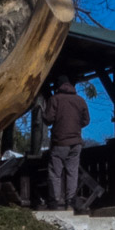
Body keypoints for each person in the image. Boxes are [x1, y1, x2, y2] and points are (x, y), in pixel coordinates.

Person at [45, 77, 90, 211]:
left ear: (57, 86)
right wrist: (76, 126)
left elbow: (48, 119)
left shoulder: (55, 99)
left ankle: (55, 202)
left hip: (60, 142)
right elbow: (86, 120)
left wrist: (42, 113)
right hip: (76, 142)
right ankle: (70, 202)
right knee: (72, 172)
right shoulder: (80, 100)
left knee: (55, 172)